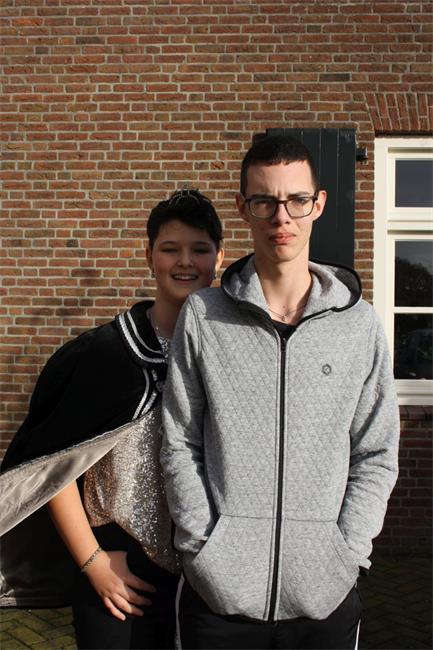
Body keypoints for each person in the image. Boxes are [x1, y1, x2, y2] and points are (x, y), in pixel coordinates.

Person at [161, 136, 400, 650]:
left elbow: (376, 452)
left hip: (324, 596)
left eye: (296, 200)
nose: (281, 217)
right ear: (242, 206)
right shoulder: (203, 317)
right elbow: (180, 441)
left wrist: (345, 553)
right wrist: (205, 549)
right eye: (265, 201)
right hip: (218, 597)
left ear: (319, 204)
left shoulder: (359, 325)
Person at [0, 188, 224, 650]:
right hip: (117, 567)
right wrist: (93, 562)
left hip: (210, 574)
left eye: (199, 249)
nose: (185, 262)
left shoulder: (232, 355)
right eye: (170, 249)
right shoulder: (102, 355)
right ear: (149, 256)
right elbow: (53, 469)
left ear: (219, 258)